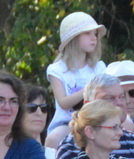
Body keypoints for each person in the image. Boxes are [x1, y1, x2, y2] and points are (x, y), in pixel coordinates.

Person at [45, 11, 108, 143]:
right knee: (54, 138)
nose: (94, 38)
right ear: (73, 38)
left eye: (95, 34)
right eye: (87, 33)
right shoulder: (57, 69)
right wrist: (88, 89)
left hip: (97, 122)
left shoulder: (99, 67)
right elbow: (63, 102)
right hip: (67, 124)